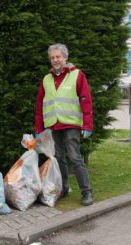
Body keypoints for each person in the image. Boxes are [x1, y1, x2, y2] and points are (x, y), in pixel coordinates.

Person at [34, 43, 94, 206]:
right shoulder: (46, 79)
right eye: (52, 57)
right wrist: (38, 128)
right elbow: (40, 104)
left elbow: (86, 100)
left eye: (58, 57)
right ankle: (64, 189)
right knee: (59, 158)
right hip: (53, 125)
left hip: (71, 125)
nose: (55, 60)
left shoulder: (77, 75)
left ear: (65, 58)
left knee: (74, 157)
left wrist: (87, 125)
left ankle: (87, 192)